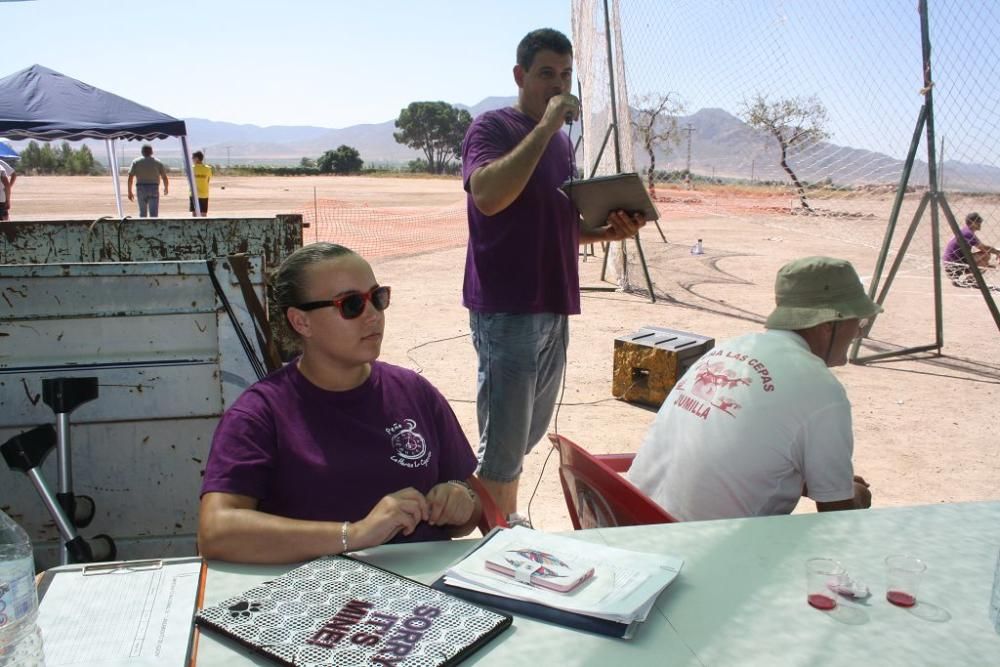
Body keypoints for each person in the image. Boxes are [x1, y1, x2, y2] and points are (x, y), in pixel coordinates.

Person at [462, 27, 645, 527]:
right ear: (520, 75)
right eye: (547, 74)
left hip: (553, 304)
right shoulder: (492, 129)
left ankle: (497, 516)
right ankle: (498, 540)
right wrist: (544, 129)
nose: (558, 85)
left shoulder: (564, 147)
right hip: (507, 306)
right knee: (503, 443)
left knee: (525, 433)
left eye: (565, 75)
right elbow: (487, 196)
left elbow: (557, 228)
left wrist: (609, 232)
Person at [198, 242, 482, 564]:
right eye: (351, 305)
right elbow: (216, 532)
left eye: (377, 297)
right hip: (321, 595)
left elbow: (473, 510)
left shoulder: (414, 391)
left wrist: (461, 500)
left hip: (423, 592)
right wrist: (355, 534)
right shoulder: (260, 414)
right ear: (300, 322)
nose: (373, 315)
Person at [629, 256, 879, 522]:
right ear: (831, 323)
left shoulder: (732, 347)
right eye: (859, 322)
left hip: (629, 521)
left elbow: (730, 455)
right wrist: (854, 494)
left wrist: (815, 481)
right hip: (699, 551)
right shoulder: (822, 391)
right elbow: (836, 516)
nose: (857, 333)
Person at [942, 212, 999, 286]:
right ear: (972, 222)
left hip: (951, 263)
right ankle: (971, 280)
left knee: (985, 258)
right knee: (986, 255)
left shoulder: (965, 231)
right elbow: (984, 248)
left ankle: (963, 278)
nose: (980, 224)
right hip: (954, 264)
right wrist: (997, 252)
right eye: (978, 222)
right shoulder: (968, 233)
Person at [127, 144, 169, 217]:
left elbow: (130, 177)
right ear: (152, 152)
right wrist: (166, 187)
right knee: (154, 214)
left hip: (140, 188)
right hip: (154, 188)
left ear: (142, 152)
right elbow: (164, 177)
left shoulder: (136, 162)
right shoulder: (158, 162)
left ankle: (143, 227)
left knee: (142, 213)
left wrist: (129, 191)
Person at [190, 150, 211, 216]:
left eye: (193, 158)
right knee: (203, 214)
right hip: (204, 194)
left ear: (197, 158)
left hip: (194, 194)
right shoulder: (208, 169)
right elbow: (208, 180)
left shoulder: (191, 168)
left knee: (194, 214)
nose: (192, 159)